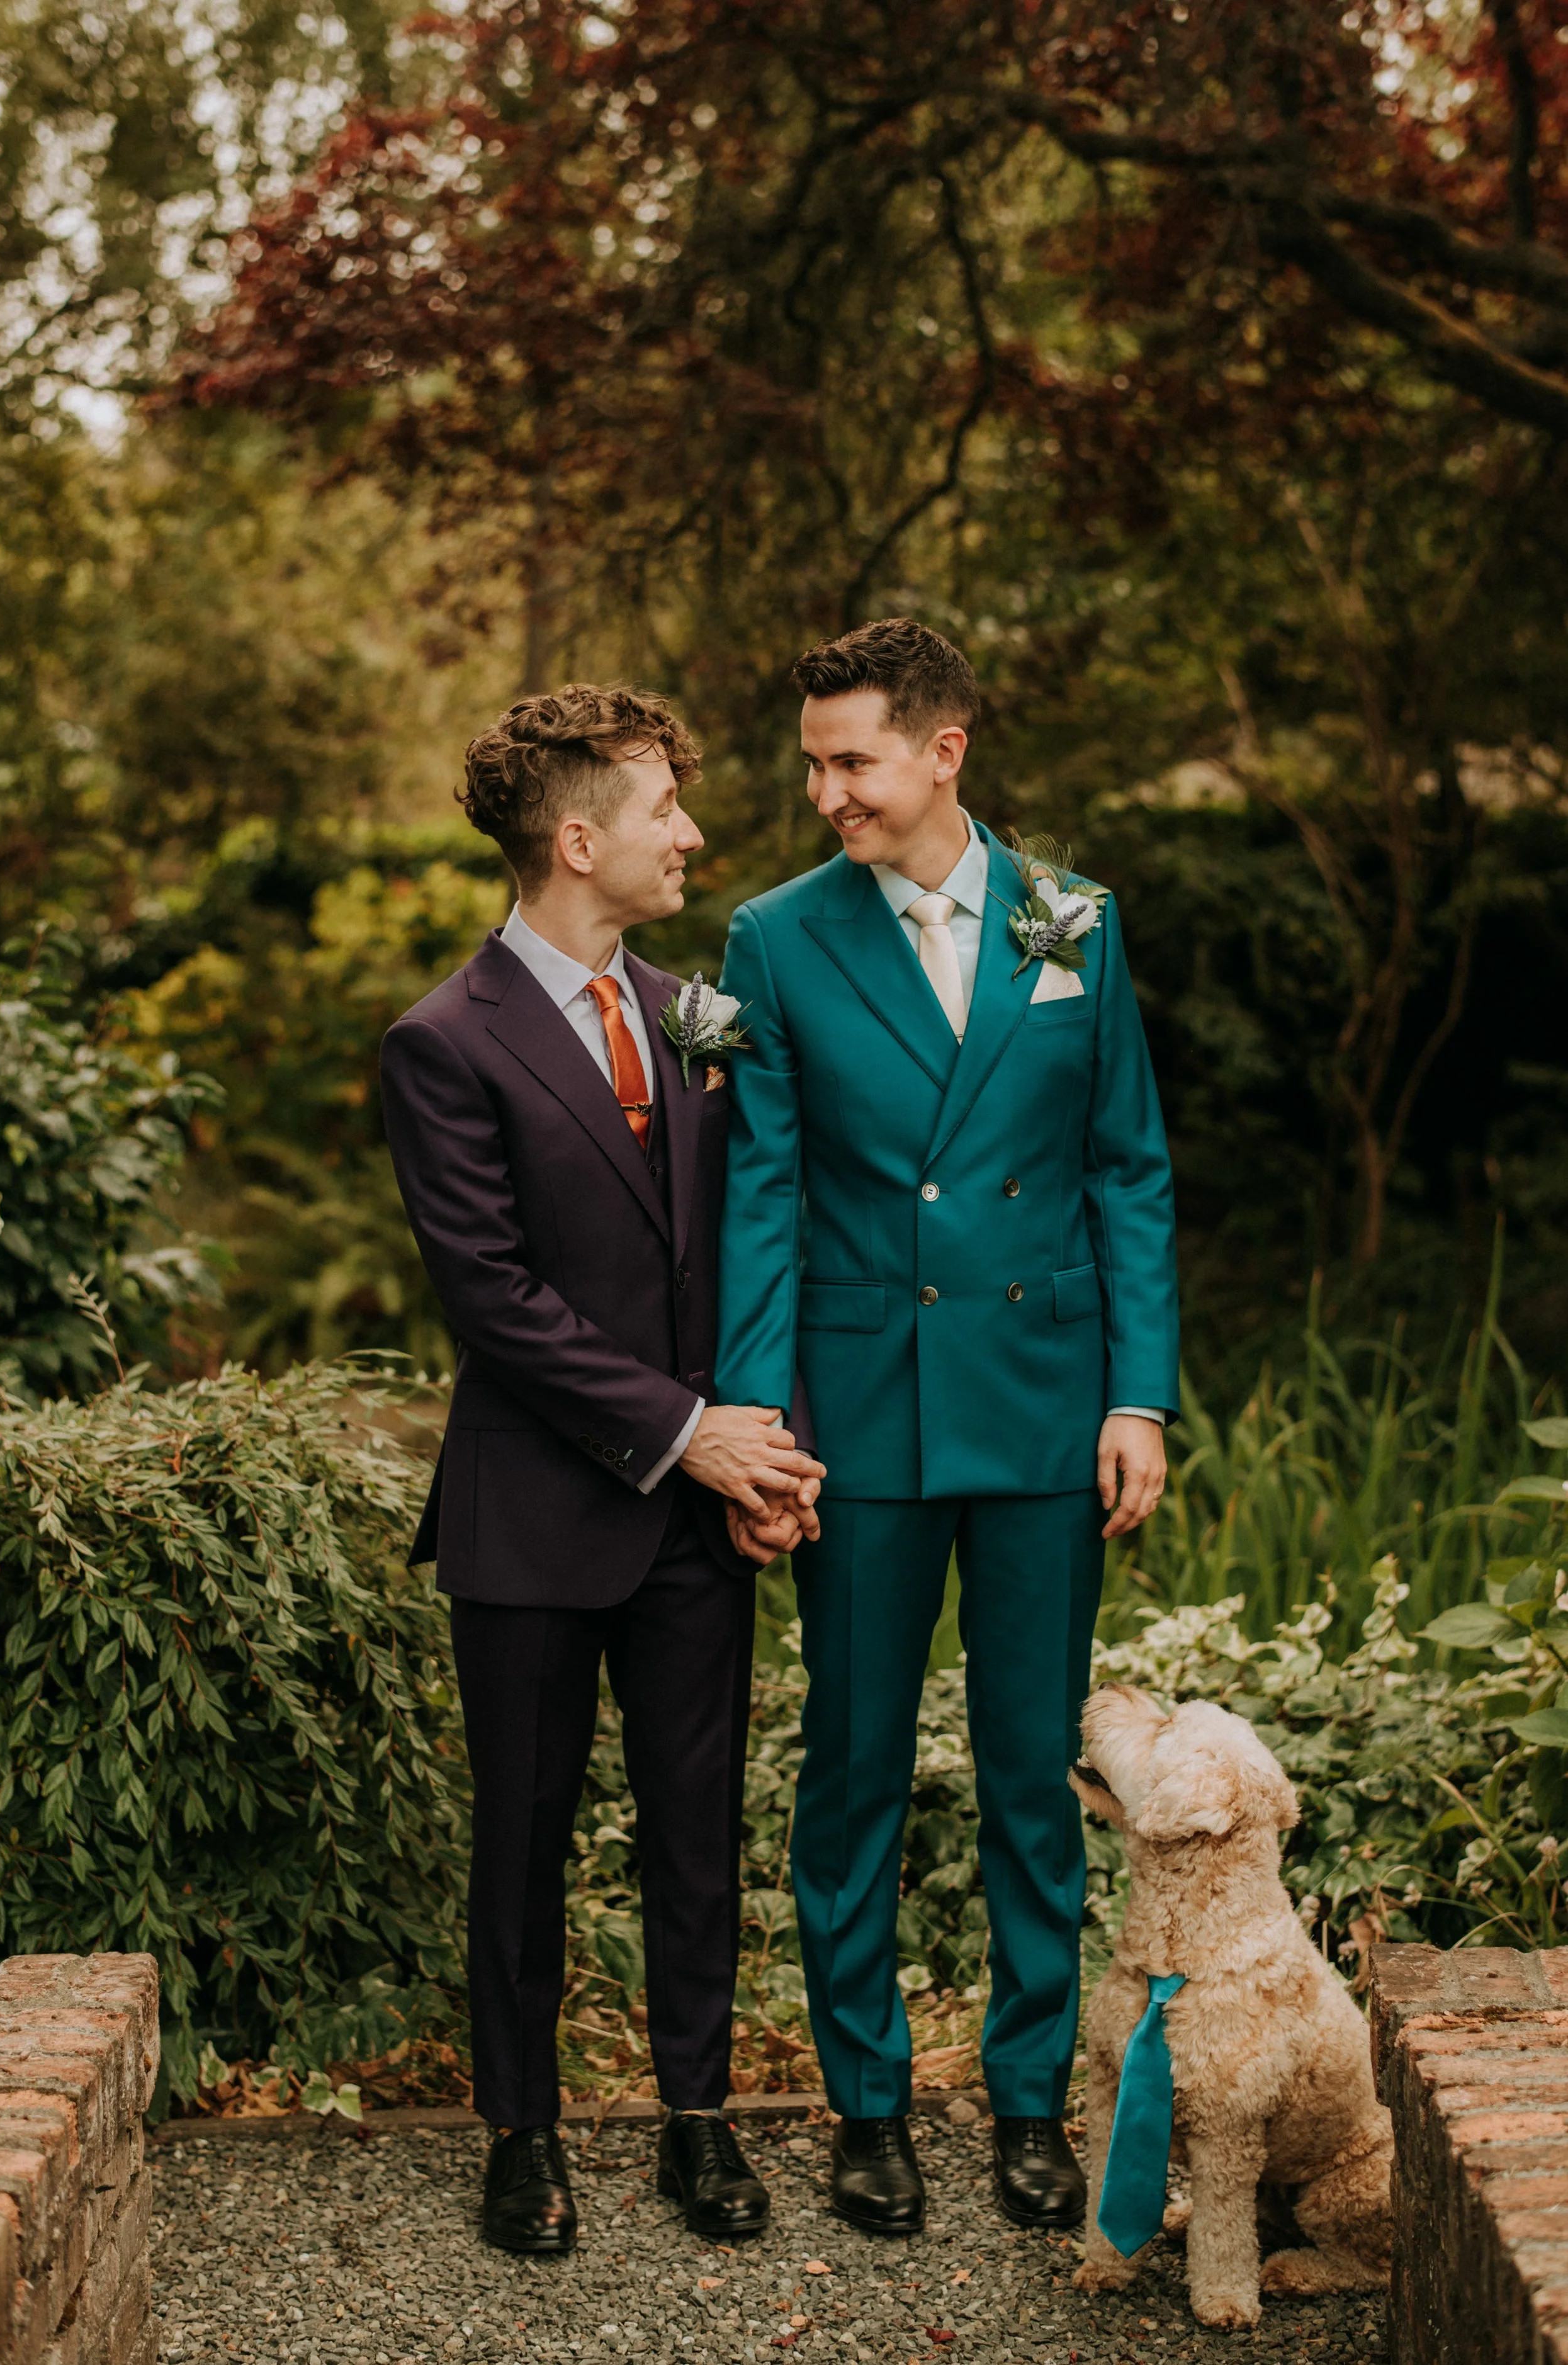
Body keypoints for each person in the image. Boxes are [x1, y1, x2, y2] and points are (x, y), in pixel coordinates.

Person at [715, 619, 1179, 2237]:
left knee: (1027, 1777)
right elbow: (759, 1192)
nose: (828, 793)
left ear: (942, 752)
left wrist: (1137, 1395)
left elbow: (1122, 1161)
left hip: (1049, 1409)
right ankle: (862, 2108)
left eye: (851, 761)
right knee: (849, 1771)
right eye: (815, 765)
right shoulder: (771, 939)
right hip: (858, 1417)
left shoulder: (1071, 918)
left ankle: (1027, 2099)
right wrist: (757, 1421)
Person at [380, 683, 825, 2254]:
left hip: (699, 1520)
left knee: (695, 1826)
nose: (689, 834)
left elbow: (747, 1242)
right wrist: (679, 1432)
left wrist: (755, 1445)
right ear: (580, 840)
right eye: (661, 810)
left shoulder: (696, 1015)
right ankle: (521, 2136)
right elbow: (494, 1300)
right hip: (535, 1515)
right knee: (526, 1832)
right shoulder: (443, 1043)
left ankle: (697, 2123)